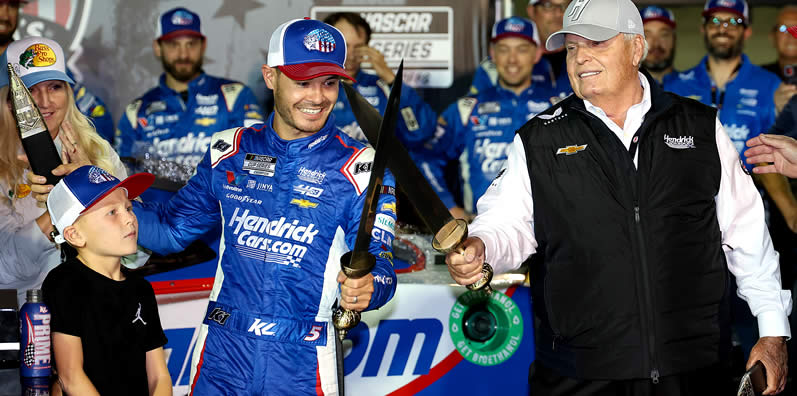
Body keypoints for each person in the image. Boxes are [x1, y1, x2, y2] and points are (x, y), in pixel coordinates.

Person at [447, 0, 791, 394]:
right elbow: (506, 222)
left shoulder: (699, 127)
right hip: (579, 372)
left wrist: (772, 331)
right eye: (572, 47)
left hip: (694, 369)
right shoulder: (539, 139)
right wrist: (481, 246)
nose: (580, 58)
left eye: (596, 43)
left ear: (636, 49)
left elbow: (748, 237)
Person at [132, 18, 397, 395]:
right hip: (222, 352)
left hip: (304, 361)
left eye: (329, 82)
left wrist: (371, 286)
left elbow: (381, 264)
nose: (318, 97)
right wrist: (94, 197)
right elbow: (171, 231)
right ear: (270, 77)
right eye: (303, 82)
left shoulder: (363, 168)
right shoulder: (230, 151)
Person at [0, 36, 130, 308]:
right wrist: (61, 208)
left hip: (99, 316)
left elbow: (138, 254)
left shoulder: (95, 151)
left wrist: (90, 184)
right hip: (26, 323)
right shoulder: (2, 168)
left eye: (55, 87)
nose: (45, 101)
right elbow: (6, 270)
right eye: (31, 90)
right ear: (10, 101)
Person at [41, 165, 170, 396]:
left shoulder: (141, 288)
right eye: (112, 212)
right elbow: (70, 376)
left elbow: (159, 375)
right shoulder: (65, 283)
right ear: (74, 235)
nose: (130, 219)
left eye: (129, 208)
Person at [115, 6, 264, 199]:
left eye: (191, 44)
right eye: (173, 45)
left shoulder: (234, 96)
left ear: (203, 46)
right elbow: (122, 178)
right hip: (157, 220)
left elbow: (256, 161)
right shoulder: (137, 111)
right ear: (157, 48)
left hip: (217, 219)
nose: (183, 54)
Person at [417, 17, 557, 219]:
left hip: (547, 232)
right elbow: (425, 157)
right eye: (503, 49)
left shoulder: (558, 106)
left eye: (522, 49)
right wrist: (449, 208)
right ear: (492, 54)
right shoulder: (467, 109)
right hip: (484, 233)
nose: (512, 59)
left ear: (537, 54)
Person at [0, 0, 116, 143]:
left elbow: (97, 116)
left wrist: (83, 152)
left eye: (12, 5)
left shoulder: (35, 57)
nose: (5, 15)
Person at [321, 12, 436, 149]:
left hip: (374, 169)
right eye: (344, 46)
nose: (351, 55)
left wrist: (391, 79)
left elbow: (422, 132)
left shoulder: (382, 87)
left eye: (358, 48)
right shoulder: (309, 87)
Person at [470, 0, 572, 95]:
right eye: (548, 6)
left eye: (566, 6)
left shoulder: (582, 57)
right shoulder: (492, 69)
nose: (559, 13)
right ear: (532, 11)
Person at [640, 5, 678, 84]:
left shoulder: (696, 85)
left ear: (674, 39)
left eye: (664, 35)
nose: (656, 43)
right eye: (647, 35)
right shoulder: (623, 90)